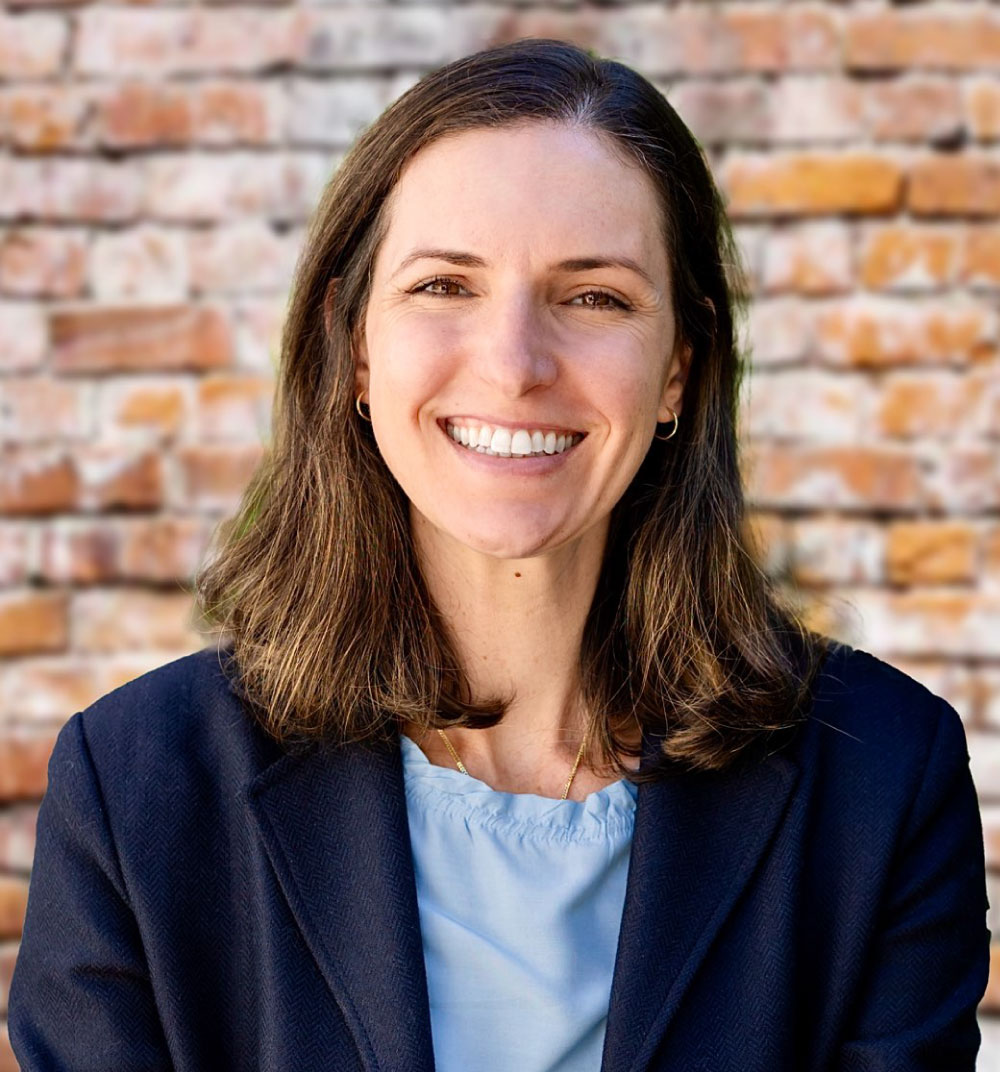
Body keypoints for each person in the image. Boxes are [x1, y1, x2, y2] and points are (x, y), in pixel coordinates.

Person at [9, 37, 990, 1072]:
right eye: (443, 286)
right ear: (354, 345)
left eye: (594, 296)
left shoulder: (881, 780)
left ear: (677, 372)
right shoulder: (136, 790)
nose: (515, 363)